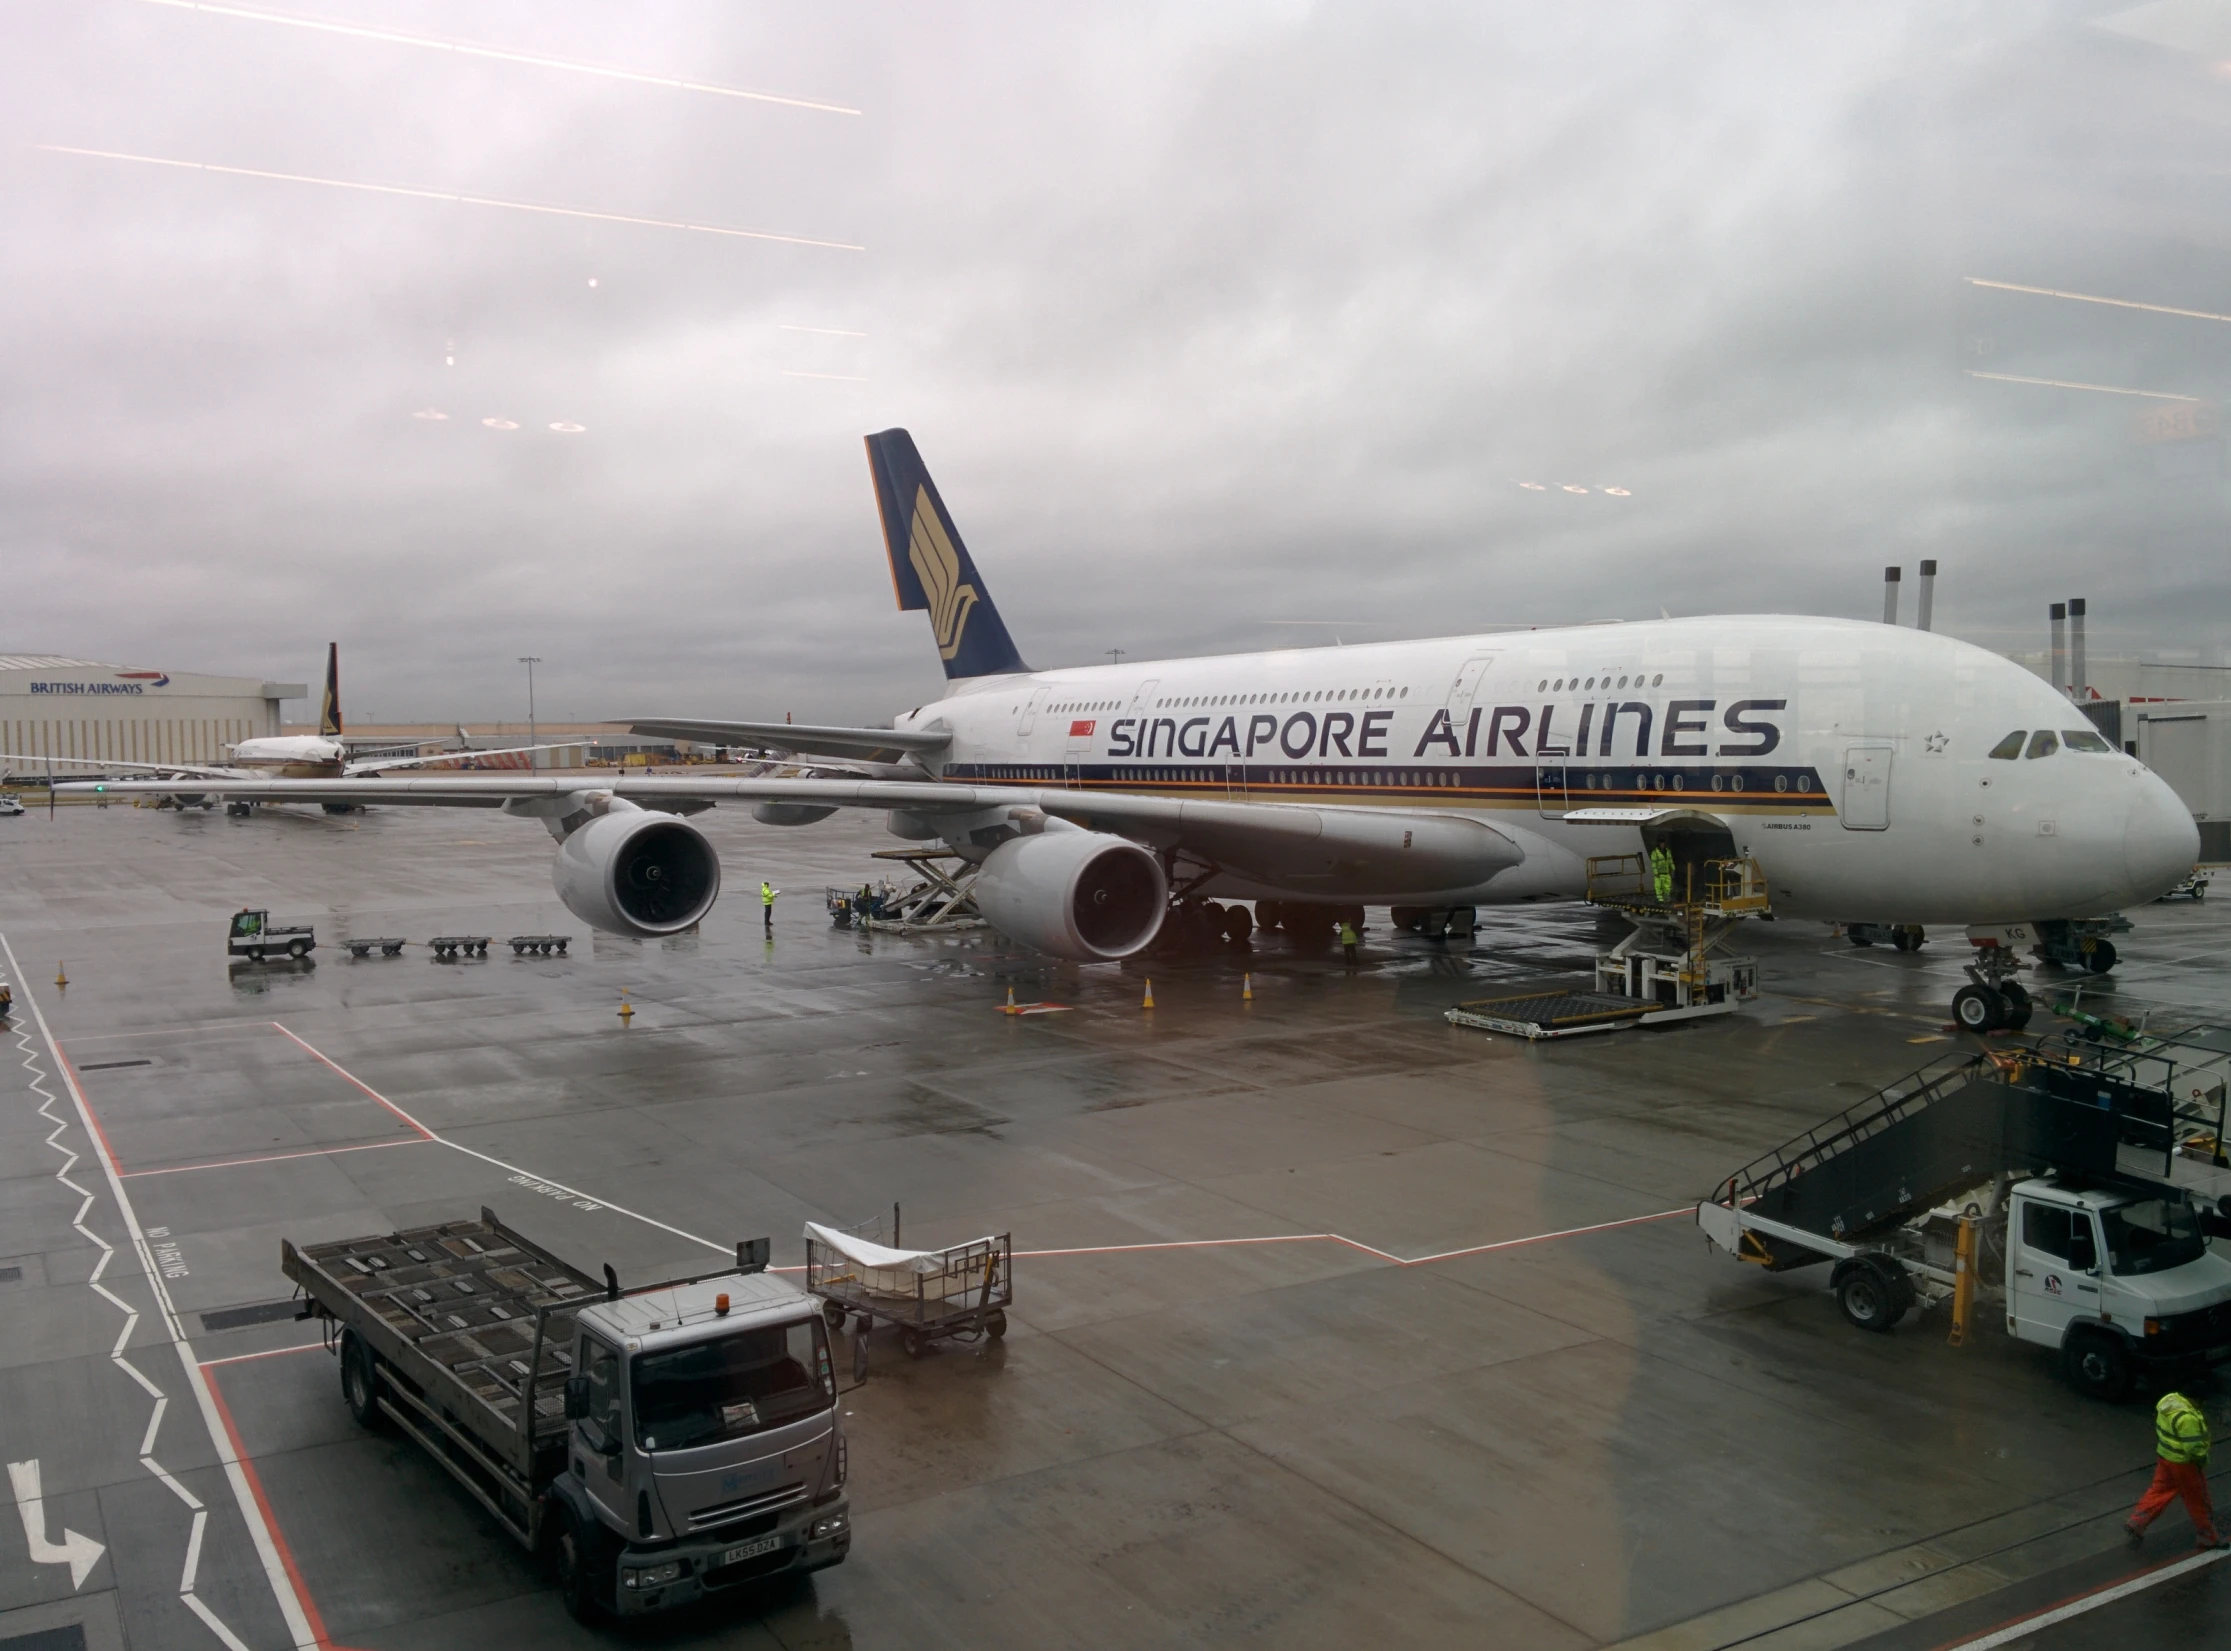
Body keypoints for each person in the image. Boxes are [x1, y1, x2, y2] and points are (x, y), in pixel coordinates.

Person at [2126, 1389, 2223, 1549]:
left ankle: (2138, 1521)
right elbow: (2193, 1448)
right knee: (2198, 1499)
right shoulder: (2187, 1418)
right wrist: (2202, 1458)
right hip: (2185, 1464)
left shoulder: (2169, 1402)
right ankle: (2207, 1537)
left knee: (2159, 1490)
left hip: (2166, 1457)